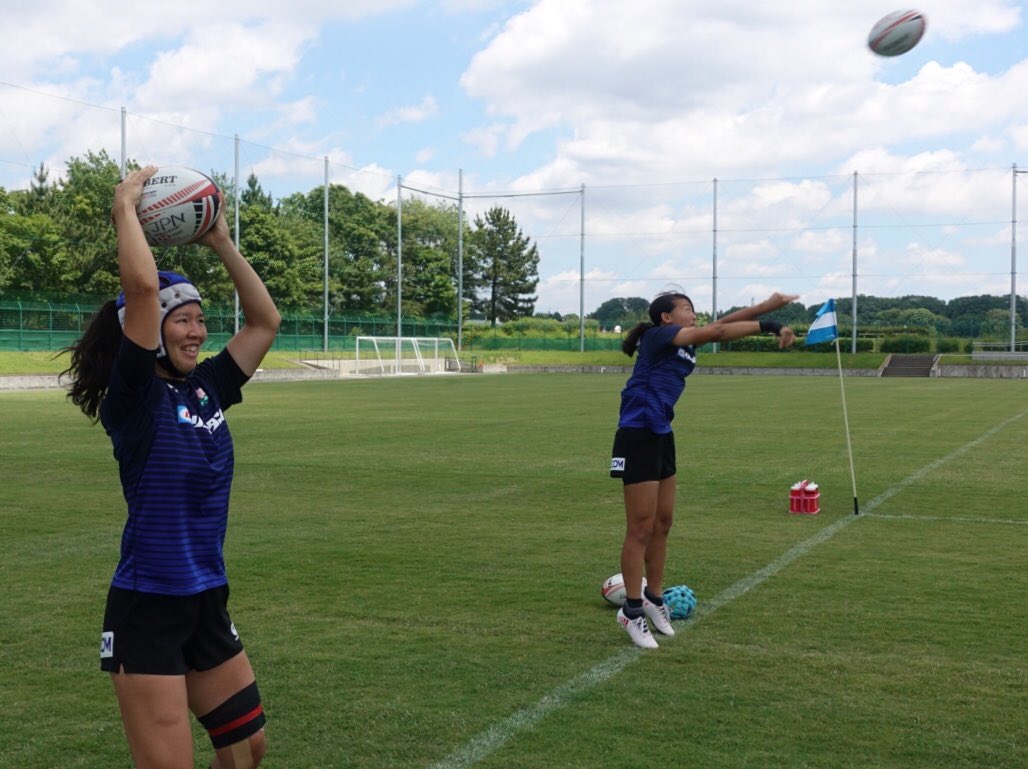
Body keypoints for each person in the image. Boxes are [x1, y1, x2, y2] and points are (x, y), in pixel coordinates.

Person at [62, 166, 281, 768]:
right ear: (151, 334)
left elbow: (265, 323)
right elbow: (138, 290)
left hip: (205, 595)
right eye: (181, 319)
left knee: (246, 747)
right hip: (149, 606)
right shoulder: (133, 398)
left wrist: (221, 242)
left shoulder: (207, 387)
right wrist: (125, 211)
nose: (197, 331)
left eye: (200, 320)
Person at [609, 291, 796, 648]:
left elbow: (724, 323)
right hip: (638, 433)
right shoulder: (659, 336)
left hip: (662, 432)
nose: (694, 315)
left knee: (663, 523)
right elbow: (719, 333)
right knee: (640, 529)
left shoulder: (681, 337)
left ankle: (654, 599)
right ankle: (631, 612)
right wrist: (771, 325)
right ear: (666, 317)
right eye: (687, 310)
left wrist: (771, 308)